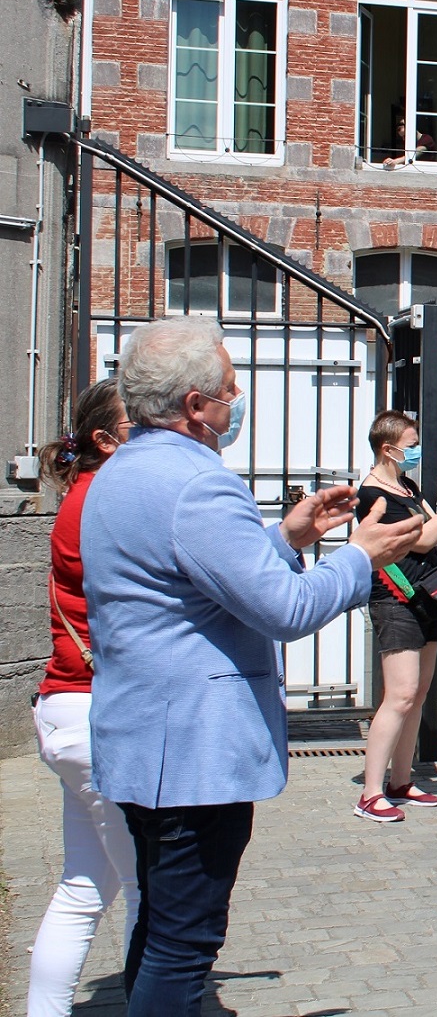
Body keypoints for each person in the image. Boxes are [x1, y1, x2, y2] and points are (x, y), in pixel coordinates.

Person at [80, 316, 422, 1014]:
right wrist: (359, 557)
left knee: (159, 925)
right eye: (230, 390)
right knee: (185, 944)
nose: (237, 401)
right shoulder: (198, 484)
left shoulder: (121, 472)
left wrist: (287, 534)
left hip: (142, 740)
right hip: (193, 756)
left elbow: (195, 579)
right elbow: (286, 611)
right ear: (196, 407)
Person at [27, 380, 138, 1017]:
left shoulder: (81, 494)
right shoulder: (103, 498)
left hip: (66, 710)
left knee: (83, 887)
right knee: (147, 889)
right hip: (98, 715)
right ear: (105, 439)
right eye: (137, 425)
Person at [354, 411, 437, 821]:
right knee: (401, 694)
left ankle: (401, 781)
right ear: (388, 449)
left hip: (426, 598)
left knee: (418, 695)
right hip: (394, 598)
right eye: (411, 446)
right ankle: (370, 793)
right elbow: (423, 541)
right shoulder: (373, 495)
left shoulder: (405, 485)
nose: (416, 451)